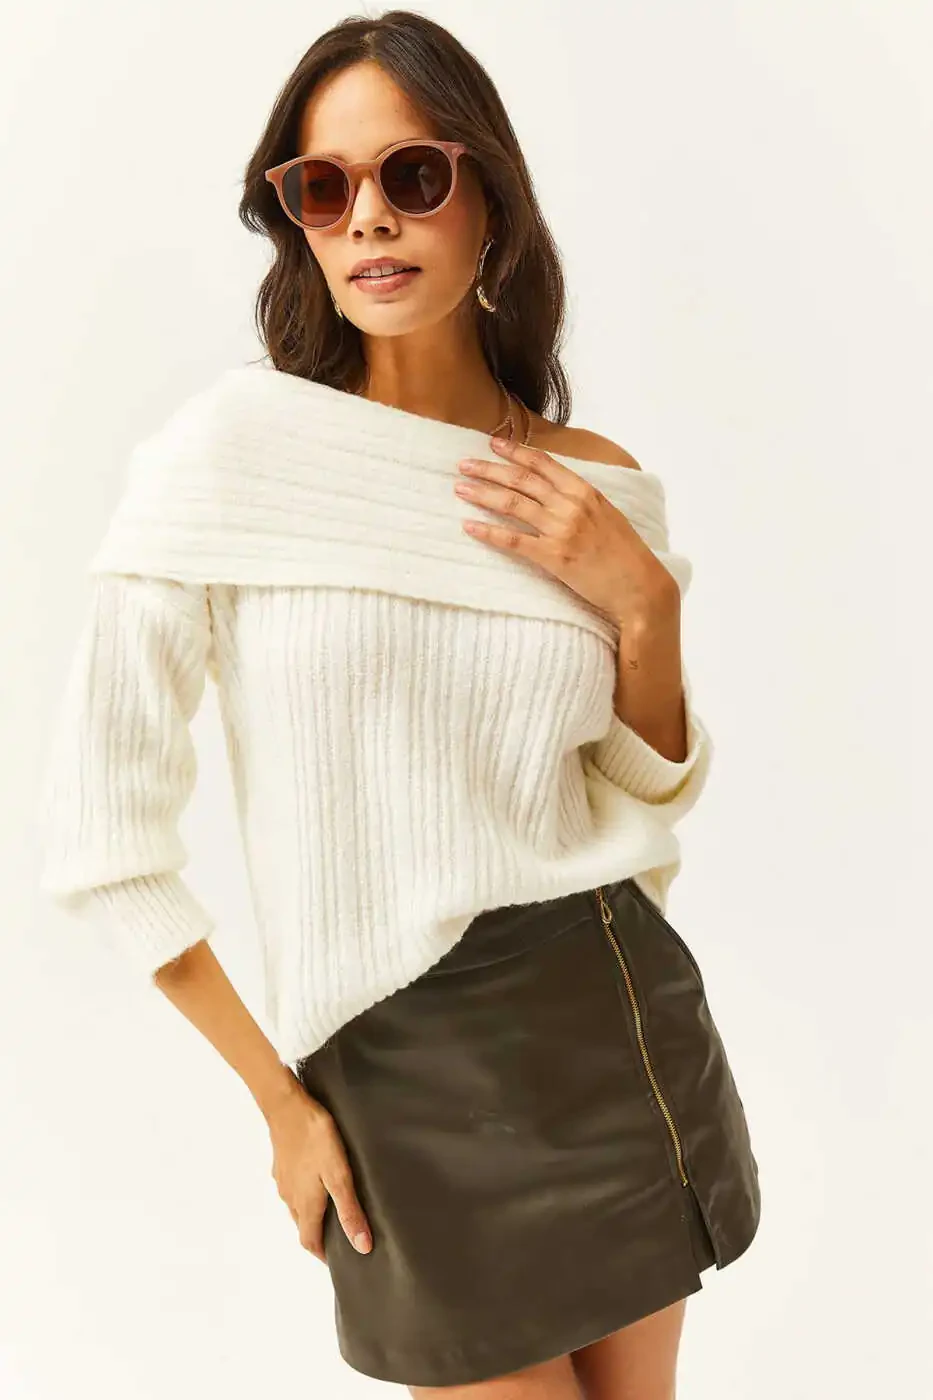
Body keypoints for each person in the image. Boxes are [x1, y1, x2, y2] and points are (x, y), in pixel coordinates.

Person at [36, 10, 761, 1398]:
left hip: (611, 1022)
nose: (369, 216)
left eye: (413, 176)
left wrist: (643, 606)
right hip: (392, 1070)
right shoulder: (232, 462)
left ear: (491, 196)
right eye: (324, 187)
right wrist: (280, 1103)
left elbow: (647, 789)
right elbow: (104, 839)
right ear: (298, 224)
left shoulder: (593, 483)